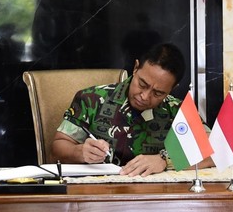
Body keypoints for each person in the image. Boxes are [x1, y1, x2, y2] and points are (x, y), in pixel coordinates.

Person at [51, 42, 214, 177]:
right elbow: (58, 147)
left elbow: (215, 151)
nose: (145, 96)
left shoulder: (177, 110)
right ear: (135, 68)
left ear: (172, 88)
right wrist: (80, 152)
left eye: (158, 93)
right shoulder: (91, 99)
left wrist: (165, 160)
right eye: (142, 84)